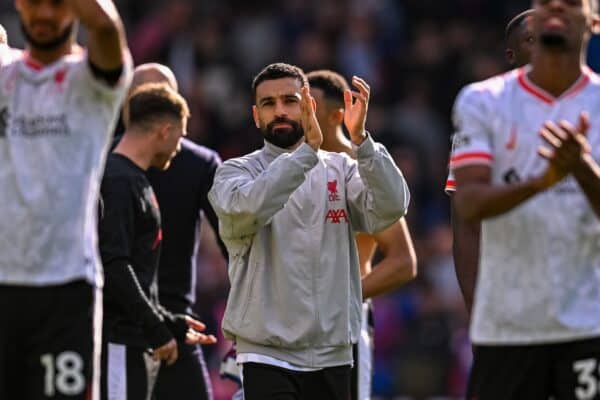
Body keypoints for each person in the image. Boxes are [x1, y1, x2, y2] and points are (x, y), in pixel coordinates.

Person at [209, 62, 409, 400]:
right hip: (267, 351)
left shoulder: (342, 168)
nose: (280, 111)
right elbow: (247, 209)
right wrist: (305, 154)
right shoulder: (234, 172)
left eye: (290, 100)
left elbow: (391, 207)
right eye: (269, 104)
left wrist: (362, 142)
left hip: (332, 353)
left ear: (309, 107)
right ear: (256, 116)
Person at [450, 0, 600, 398]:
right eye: (545, 2)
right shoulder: (482, 101)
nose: (556, 7)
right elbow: (467, 207)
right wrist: (544, 181)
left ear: (594, 21)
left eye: (570, 3)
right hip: (506, 326)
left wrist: (582, 170)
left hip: (588, 323)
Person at [0, 0, 131, 399]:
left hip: (66, 286)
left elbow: (107, 30)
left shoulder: (91, 83)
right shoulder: (5, 74)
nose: (43, 15)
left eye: (56, 3)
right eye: (34, 2)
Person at [98, 83, 217, 400]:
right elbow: (115, 265)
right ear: (165, 131)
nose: (179, 148)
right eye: (180, 137)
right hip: (119, 341)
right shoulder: (117, 181)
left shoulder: (135, 179)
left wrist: (171, 323)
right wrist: (157, 327)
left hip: (134, 340)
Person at [307, 69, 417, 400]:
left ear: (338, 113)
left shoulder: (361, 171)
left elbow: (403, 261)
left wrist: (342, 299)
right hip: (292, 324)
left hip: (344, 329)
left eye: (311, 105)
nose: (300, 114)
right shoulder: (291, 167)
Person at [126, 63, 225, 400]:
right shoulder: (100, 161)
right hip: (118, 326)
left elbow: (235, 245)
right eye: (144, 100)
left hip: (180, 325)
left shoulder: (201, 165)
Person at [446, 9, 534, 317]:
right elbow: (465, 224)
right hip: (507, 295)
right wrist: (474, 305)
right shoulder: (480, 111)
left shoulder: (590, 108)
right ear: (511, 54)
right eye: (531, 39)